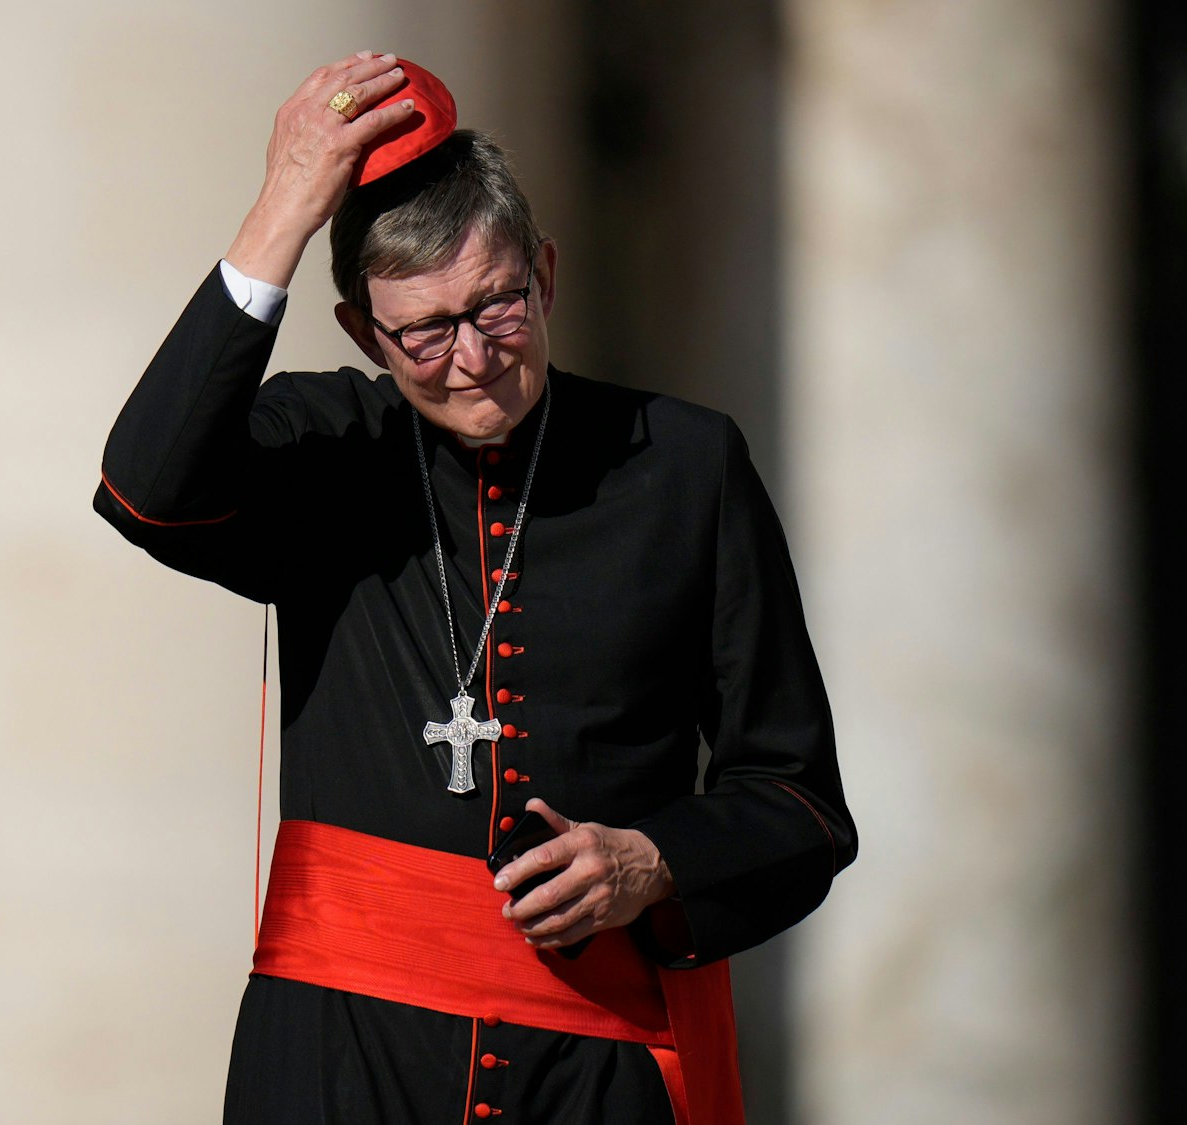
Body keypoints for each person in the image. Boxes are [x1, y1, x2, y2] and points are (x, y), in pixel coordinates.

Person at [95, 52, 854, 1125]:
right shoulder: (329, 450)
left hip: (591, 1074)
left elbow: (799, 801)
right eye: (422, 333)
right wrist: (284, 205)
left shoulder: (683, 466)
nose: (470, 359)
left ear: (542, 276)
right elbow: (146, 487)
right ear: (364, 333)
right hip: (337, 1061)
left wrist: (650, 862)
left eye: (496, 308)